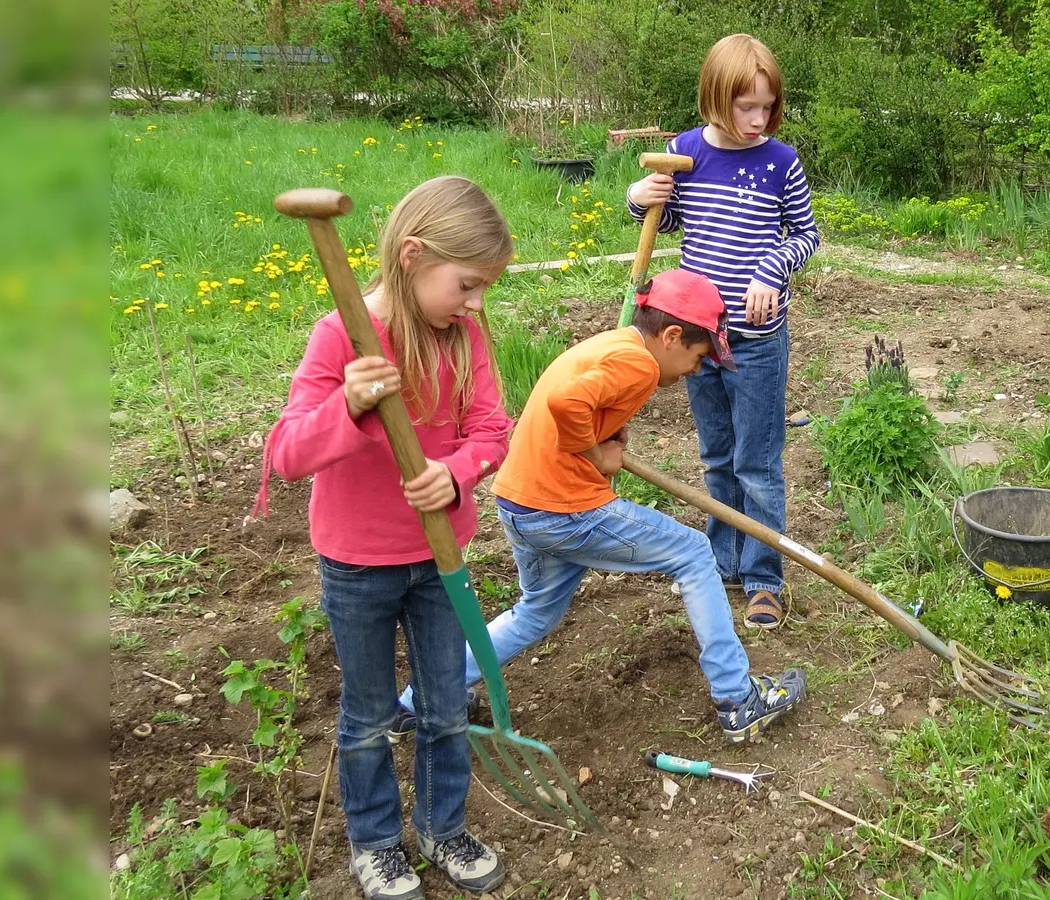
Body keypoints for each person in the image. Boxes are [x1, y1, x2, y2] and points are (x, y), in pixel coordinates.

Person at [248, 176, 513, 900]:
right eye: (466, 284)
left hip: (441, 559)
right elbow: (287, 454)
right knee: (367, 715)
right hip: (358, 563)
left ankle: (441, 825)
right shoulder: (342, 336)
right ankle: (375, 844)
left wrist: (456, 474)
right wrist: (351, 403)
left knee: (444, 705)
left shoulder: (466, 337)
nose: (475, 302)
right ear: (413, 254)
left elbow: (493, 431)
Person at [421, 268, 807, 745]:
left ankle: (422, 699)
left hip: (520, 502)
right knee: (692, 553)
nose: (696, 369)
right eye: (698, 356)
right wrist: (595, 453)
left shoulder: (615, 344)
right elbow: (566, 403)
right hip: (563, 508)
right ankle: (737, 699)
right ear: (670, 336)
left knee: (535, 613)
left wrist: (604, 435)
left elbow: (578, 400)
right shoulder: (639, 364)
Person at [626, 33, 820, 631]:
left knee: (756, 463)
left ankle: (764, 576)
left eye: (767, 106)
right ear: (716, 99)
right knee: (716, 457)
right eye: (746, 107)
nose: (759, 119)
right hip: (695, 338)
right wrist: (640, 198)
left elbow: (806, 235)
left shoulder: (780, 161)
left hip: (758, 337)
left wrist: (771, 269)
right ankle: (723, 560)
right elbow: (671, 217)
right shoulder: (685, 153)